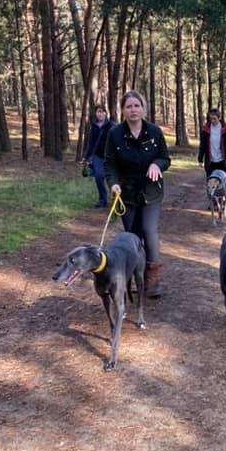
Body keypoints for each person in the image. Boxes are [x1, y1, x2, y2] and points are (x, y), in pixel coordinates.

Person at [104, 90, 170, 298]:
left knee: (149, 232)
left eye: (136, 106)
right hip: (127, 194)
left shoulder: (154, 132)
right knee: (132, 237)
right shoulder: (114, 134)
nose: (133, 110)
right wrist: (113, 184)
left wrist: (157, 164)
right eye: (128, 106)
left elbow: (165, 158)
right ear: (123, 110)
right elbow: (110, 164)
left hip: (151, 192)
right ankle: (129, 277)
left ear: (143, 108)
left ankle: (153, 279)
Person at [82, 105, 114, 208]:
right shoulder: (94, 126)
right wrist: (86, 157)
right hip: (98, 156)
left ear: (106, 113)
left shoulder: (112, 125)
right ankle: (102, 200)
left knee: (112, 178)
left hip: (111, 156)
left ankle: (116, 198)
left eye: (101, 111)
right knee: (99, 177)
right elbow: (91, 143)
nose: (99, 114)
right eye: (98, 112)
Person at [198, 108, 226, 177]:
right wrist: (200, 159)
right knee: (211, 184)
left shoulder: (225, 129)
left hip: (222, 161)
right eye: (211, 118)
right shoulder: (206, 130)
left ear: (219, 117)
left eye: (214, 118)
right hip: (210, 162)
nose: (212, 121)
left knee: (222, 184)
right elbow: (202, 145)